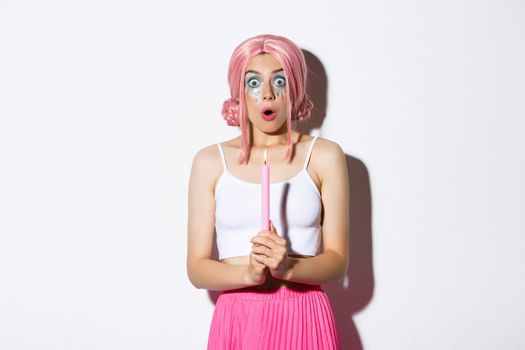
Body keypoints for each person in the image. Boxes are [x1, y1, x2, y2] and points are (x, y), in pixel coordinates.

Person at [187, 34, 349, 349]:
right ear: (237, 93)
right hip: (239, 318)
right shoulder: (210, 162)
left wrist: (288, 266)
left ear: (296, 89)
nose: (268, 95)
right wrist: (249, 273)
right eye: (253, 83)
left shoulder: (325, 156)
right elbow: (196, 267)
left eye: (280, 81)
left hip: (305, 315)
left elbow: (338, 261)